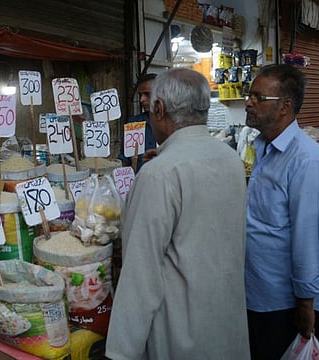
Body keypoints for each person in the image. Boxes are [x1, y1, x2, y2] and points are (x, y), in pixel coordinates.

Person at [105, 68, 250, 359]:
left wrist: (120, 352)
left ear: (158, 109)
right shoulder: (230, 159)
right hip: (226, 322)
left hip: (180, 333)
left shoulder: (159, 173)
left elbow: (139, 275)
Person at [244, 64, 319, 359]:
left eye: (259, 97)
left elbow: (308, 236)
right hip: (257, 292)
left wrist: (305, 302)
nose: (249, 102)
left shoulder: (306, 160)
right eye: (249, 95)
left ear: (285, 107)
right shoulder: (263, 148)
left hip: (283, 302)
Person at [117, 73, 157, 173]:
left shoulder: (174, 124)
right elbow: (124, 160)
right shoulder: (134, 124)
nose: (141, 99)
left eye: (147, 94)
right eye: (140, 95)